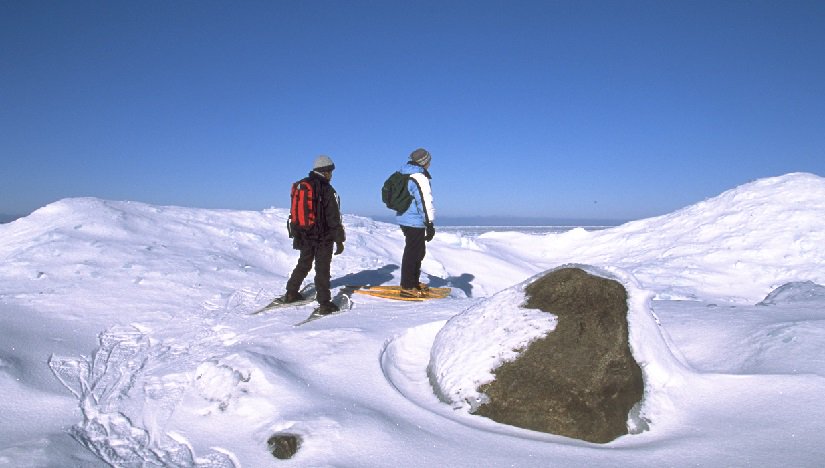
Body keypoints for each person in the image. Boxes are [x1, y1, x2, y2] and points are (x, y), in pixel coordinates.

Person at [284, 155, 346, 313]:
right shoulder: (326, 189)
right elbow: (333, 217)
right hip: (323, 236)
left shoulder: (302, 185)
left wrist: (298, 234)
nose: (331, 175)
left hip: (305, 234)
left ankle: (291, 293)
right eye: (330, 171)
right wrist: (339, 240)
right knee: (322, 269)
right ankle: (325, 303)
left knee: (303, 264)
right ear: (325, 171)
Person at [396, 148, 435, 298]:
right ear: (425, 161)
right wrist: (430, 223)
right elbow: (425, 201)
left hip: (406, 219)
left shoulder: (405, 173)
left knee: (417, 251)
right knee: (414, 252)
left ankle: (413, 282)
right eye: (429, 160)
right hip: (414, 220)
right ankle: (407, 286)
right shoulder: (418, 177)